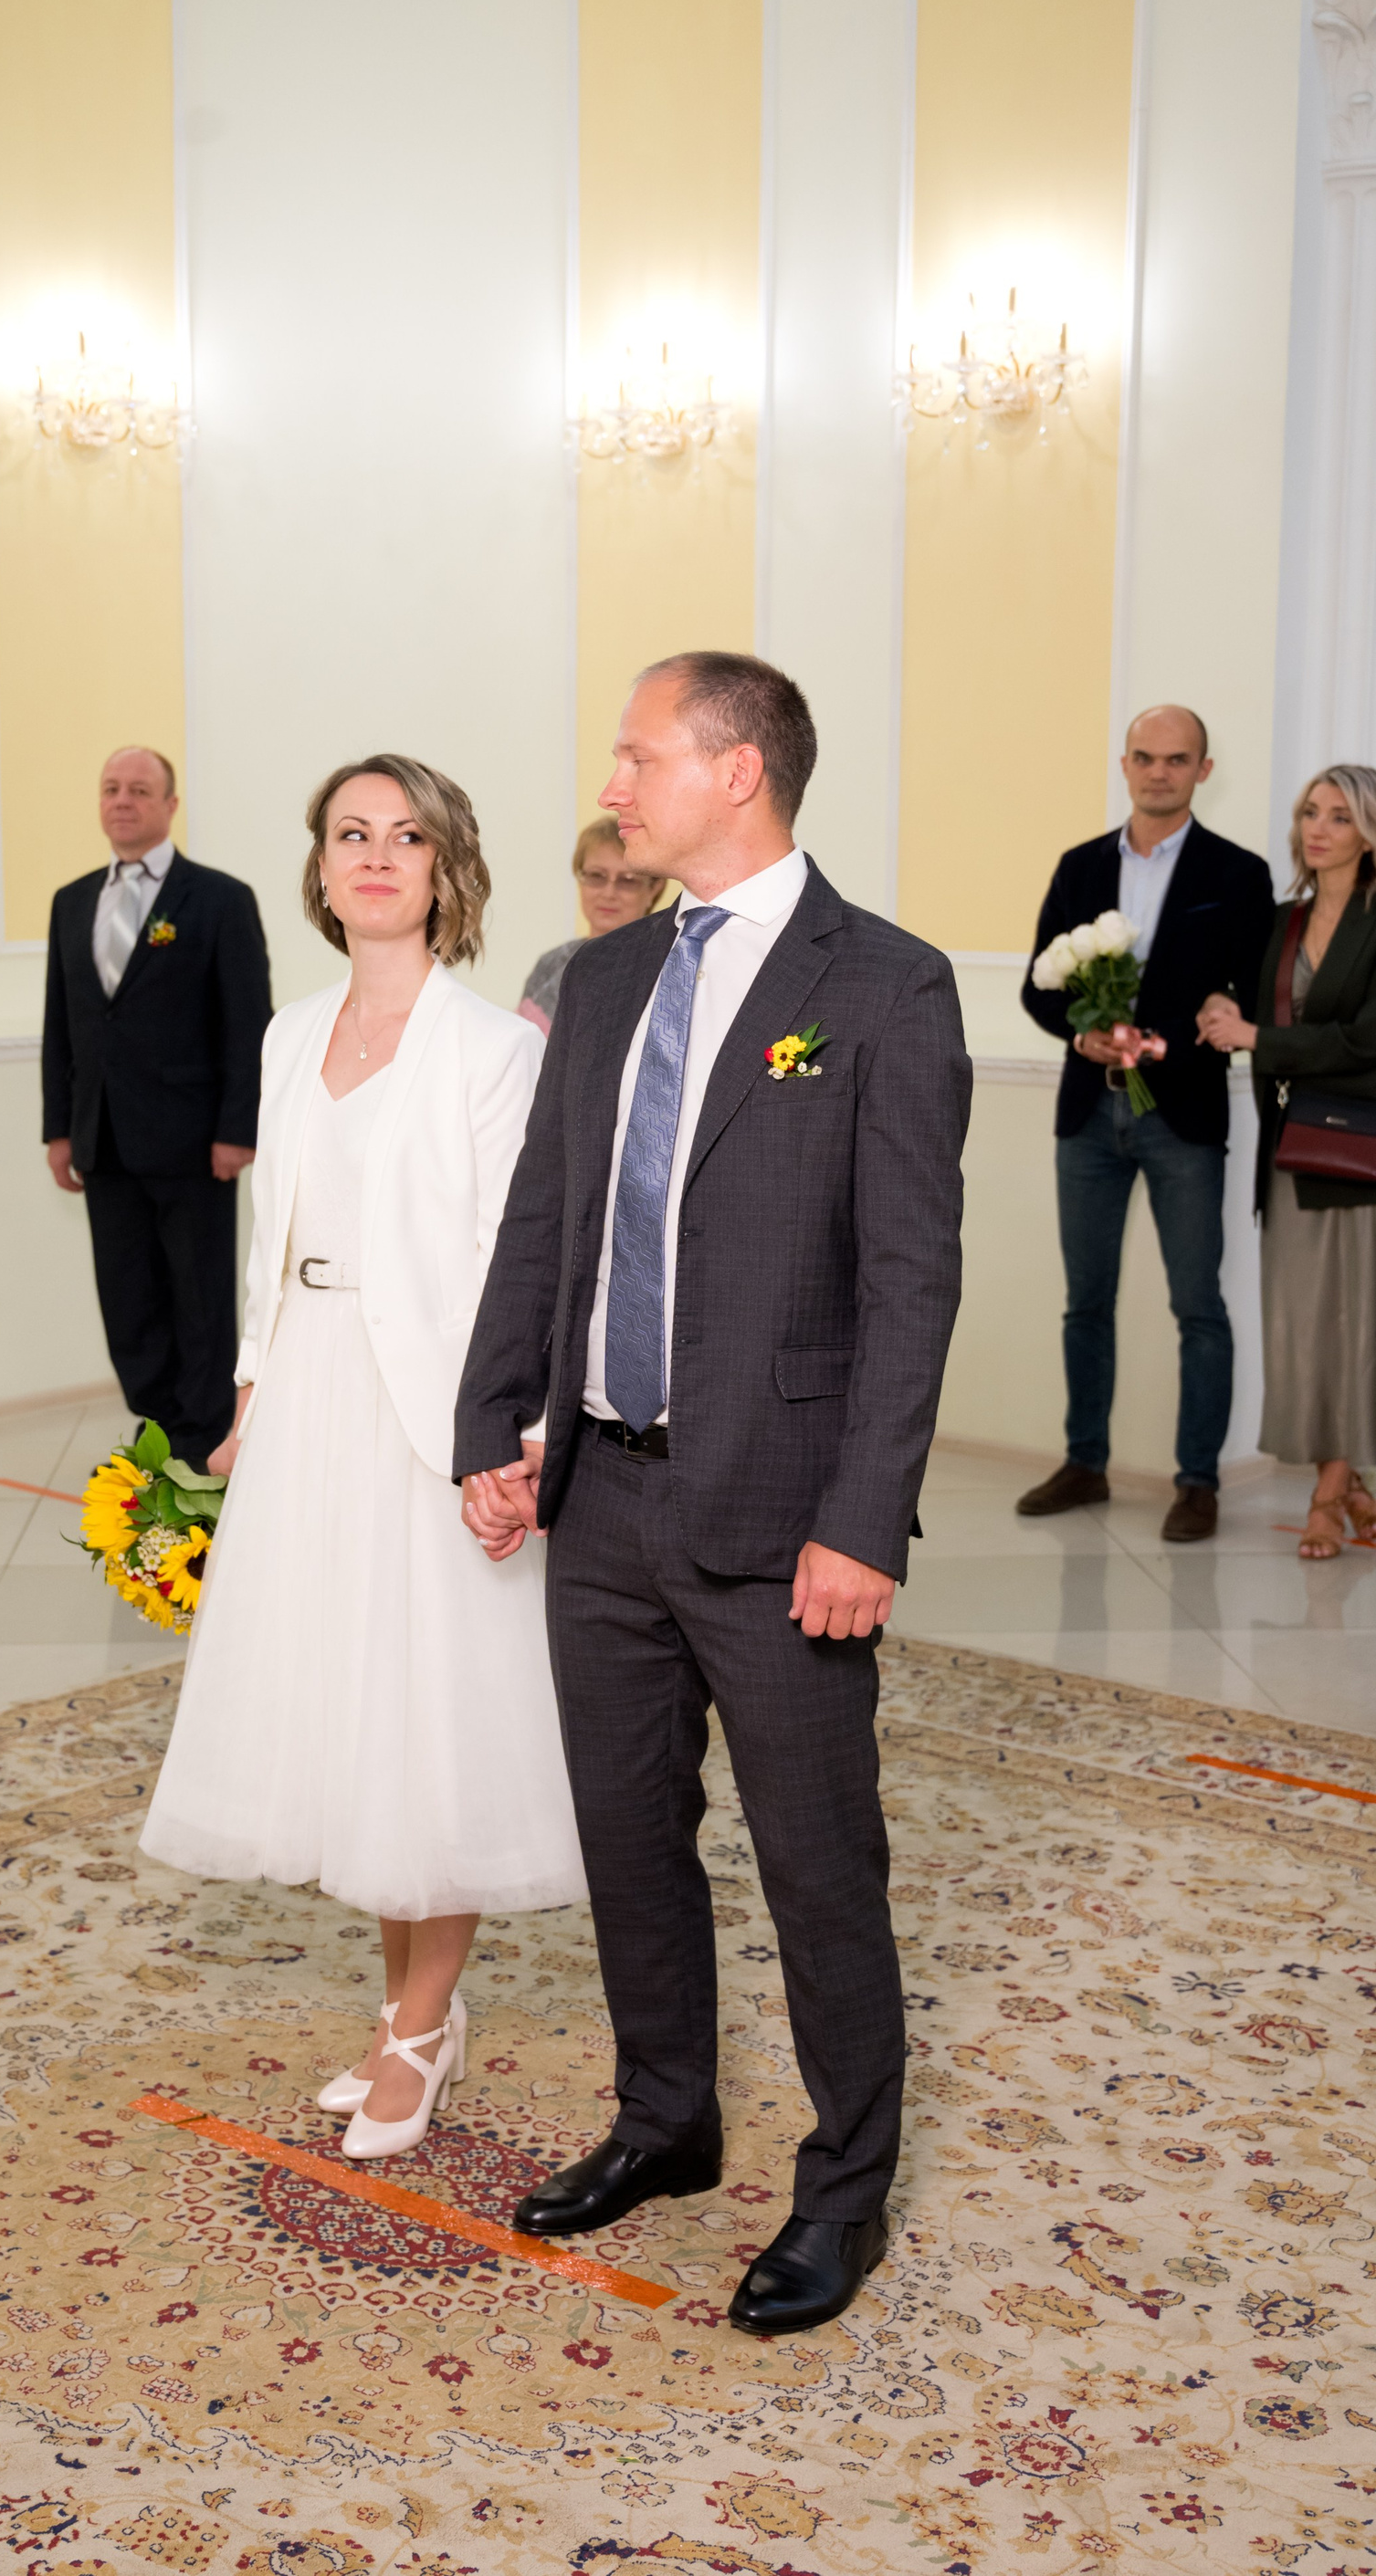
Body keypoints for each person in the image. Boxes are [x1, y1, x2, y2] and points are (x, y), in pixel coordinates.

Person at [455, 651, 970, 2337]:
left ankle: (845, 2193)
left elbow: (911, 1281)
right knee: (629, 1835)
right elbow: (546, 1219)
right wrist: (493, 1422)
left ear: (737, 769)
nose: (613, 785)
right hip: (604, 1500)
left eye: (639, 755)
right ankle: (666, 2120)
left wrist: (864, 1519)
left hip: (785, 1516)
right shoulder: (608, 978)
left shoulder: (885, 984)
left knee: (819, 1867)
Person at [139, 752, 584, 2161]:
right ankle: (410, 2011)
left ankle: (418, 2027)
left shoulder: (495, 1049)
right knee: (359, 1719)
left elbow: (523, 1263)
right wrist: (251, 1387)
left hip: (436, 1410)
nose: (377, 855)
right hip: (313, 1397)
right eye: (351, 834)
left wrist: (515, 1438)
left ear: (446, 871)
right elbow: (270, 1232)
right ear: (323, 871)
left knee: (430, 1722)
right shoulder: (287, 1036)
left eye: (406, 835)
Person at [1016, 707, 1275, 1543]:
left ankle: (1197, 1482)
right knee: (1085, 1302)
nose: (1159, 772)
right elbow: (1038, 986)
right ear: (1124, 764)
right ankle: (1084, 1462)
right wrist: (1081, 1033)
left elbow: (1255, 991)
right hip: (1089, 1113)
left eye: (1177, 759)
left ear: (1203, 771)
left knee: (1198, 1305)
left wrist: (1199, 1020)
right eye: (1145, 757)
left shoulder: (1239, 874)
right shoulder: (1081, 866)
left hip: (1183, 1117)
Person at [41, 747, 271, 1464]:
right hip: (102, 1139)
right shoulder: (73, 901)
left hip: (194, 1145)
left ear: (170, 806)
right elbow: (62, 1025)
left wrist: (238, 1128)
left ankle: (204, 1444)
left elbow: (247, 1022)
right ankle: (157, 1429)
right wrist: (58, 1128)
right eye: (111, 788)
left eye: (140, 790)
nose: (123, 800)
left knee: (198, 1300)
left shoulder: (219, 899)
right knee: (128, 1300)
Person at [1198, 766, 1376, 1557]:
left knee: (1355, 1323)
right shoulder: (1286, 920)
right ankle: (1353, 1484)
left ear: (1369, 832)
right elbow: (1246, 1001)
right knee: (1303, 1325)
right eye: (1311, 812)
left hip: (1363, 1154)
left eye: (1340, 816)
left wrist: (1260, 1040)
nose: (1319, 828)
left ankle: (1328, 1494)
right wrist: (1222, 1008)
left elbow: (1365, 1042)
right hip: (1292, 1149)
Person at [519, 818, 667, 1031]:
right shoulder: (550, 965)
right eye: (597, 876)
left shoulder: (667, 969)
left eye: (627, 880)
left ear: (654, 888)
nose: (608, 893)